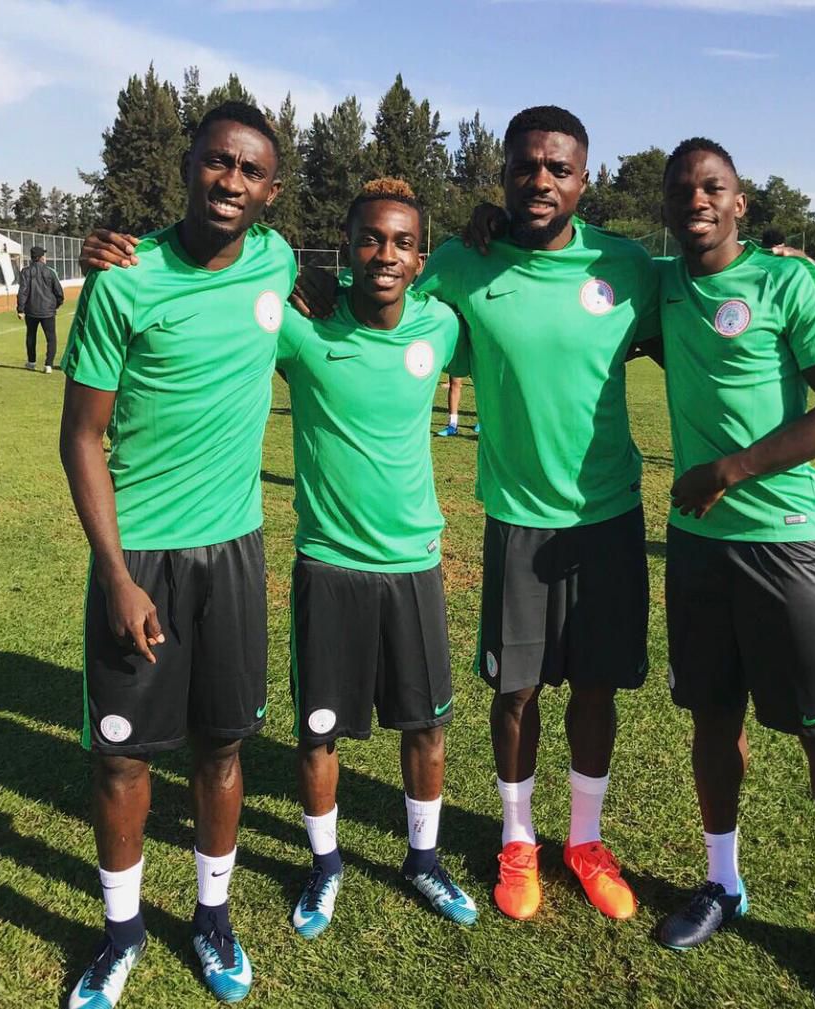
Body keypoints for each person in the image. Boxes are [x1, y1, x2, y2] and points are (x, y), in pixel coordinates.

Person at [294, 106, 659, 923]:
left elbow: (705, 300)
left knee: (596, 688)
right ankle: (519, 838)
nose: (541, 180)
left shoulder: (628, 265)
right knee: (516, 692)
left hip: (610, 517)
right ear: (502, 174)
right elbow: (386, 291)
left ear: (585, 178)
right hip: (517, 520)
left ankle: (587, 840)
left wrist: (773, 262)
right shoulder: (461, 261)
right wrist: (314, 284)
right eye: (526, 165)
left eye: (558, 168)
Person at [59, 101, 293, 1008]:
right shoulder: (126, 279)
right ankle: (121, 933)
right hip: (140, 558)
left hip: (232, 554)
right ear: (189, 165)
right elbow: (82, 437)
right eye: (216, 163)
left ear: (271, 190)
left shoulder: (276, 263)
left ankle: (212, 915)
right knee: (121, 757)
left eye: (250, 172)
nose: (230, 182)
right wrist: (116, 575)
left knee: (221, 746)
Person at [646, 137, 815, 1009]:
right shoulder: (662, 284)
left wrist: (729, 470)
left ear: (742, 202)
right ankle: (723, 882)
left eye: (713, 188)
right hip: (697, 549)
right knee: (714, 719)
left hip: (783, 541)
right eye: (681, 191)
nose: (696, 201)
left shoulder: (789, 282)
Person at [279, 178, 477, 937]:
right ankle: (325, 864)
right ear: (347, 246)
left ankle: (423, 859)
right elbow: (232, 286)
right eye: (370, 239)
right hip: (328, 563)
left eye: (400, 242)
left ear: (419, 257)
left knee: (426, 724)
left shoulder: (442, 327)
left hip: (414, 565)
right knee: (319, 729)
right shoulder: (301, 331)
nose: (384, 255)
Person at [17, 245, 64, 373]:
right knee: (51, 338)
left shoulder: (25, 271)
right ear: (41, 257)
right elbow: (59, 292)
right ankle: (48, 365)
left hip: (31, 310)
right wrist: (56, 305)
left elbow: (23, 291)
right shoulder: (50, 271)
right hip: (48, 310)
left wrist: (20, 309)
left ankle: (31, 362)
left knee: (31, 336)